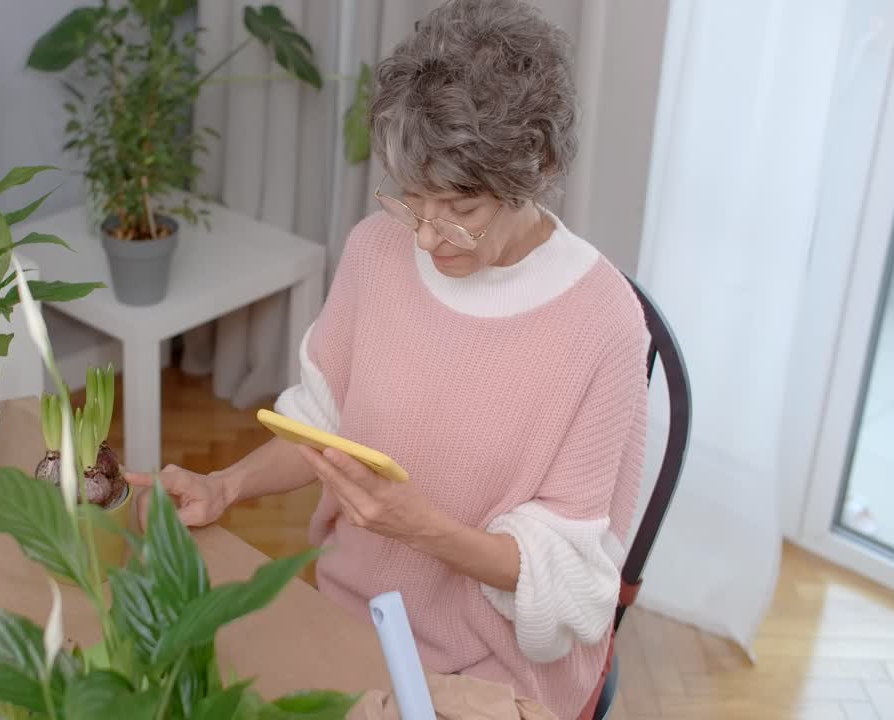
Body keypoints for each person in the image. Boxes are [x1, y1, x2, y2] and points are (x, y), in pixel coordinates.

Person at [128, 1, 648, 718]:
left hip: (498, 670)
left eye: (460, 207)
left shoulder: (603, 324)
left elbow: (572, 592)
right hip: (357, 621)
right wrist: (225, 486)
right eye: (413, 199)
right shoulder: (378, 249)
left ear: (540, 168)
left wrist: (425, 530)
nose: (428, 238)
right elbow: (322, 426)